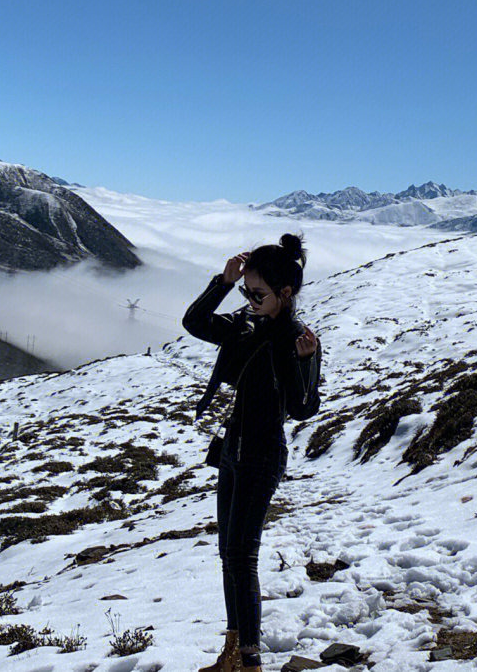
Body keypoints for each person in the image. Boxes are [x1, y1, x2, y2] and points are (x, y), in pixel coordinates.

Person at [183, 233, 322, 672]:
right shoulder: (245, 325)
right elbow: (194, 322)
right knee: (229, 553)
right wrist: (221, 284)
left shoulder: (295, 339)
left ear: (285, 294)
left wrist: (306, 363)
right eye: (246, 290)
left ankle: (250, 662)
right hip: (231, 452)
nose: (249, 298)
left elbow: (303, 408)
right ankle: (232, 651)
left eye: (256, 292)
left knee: (243, 557)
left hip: (263, 455)